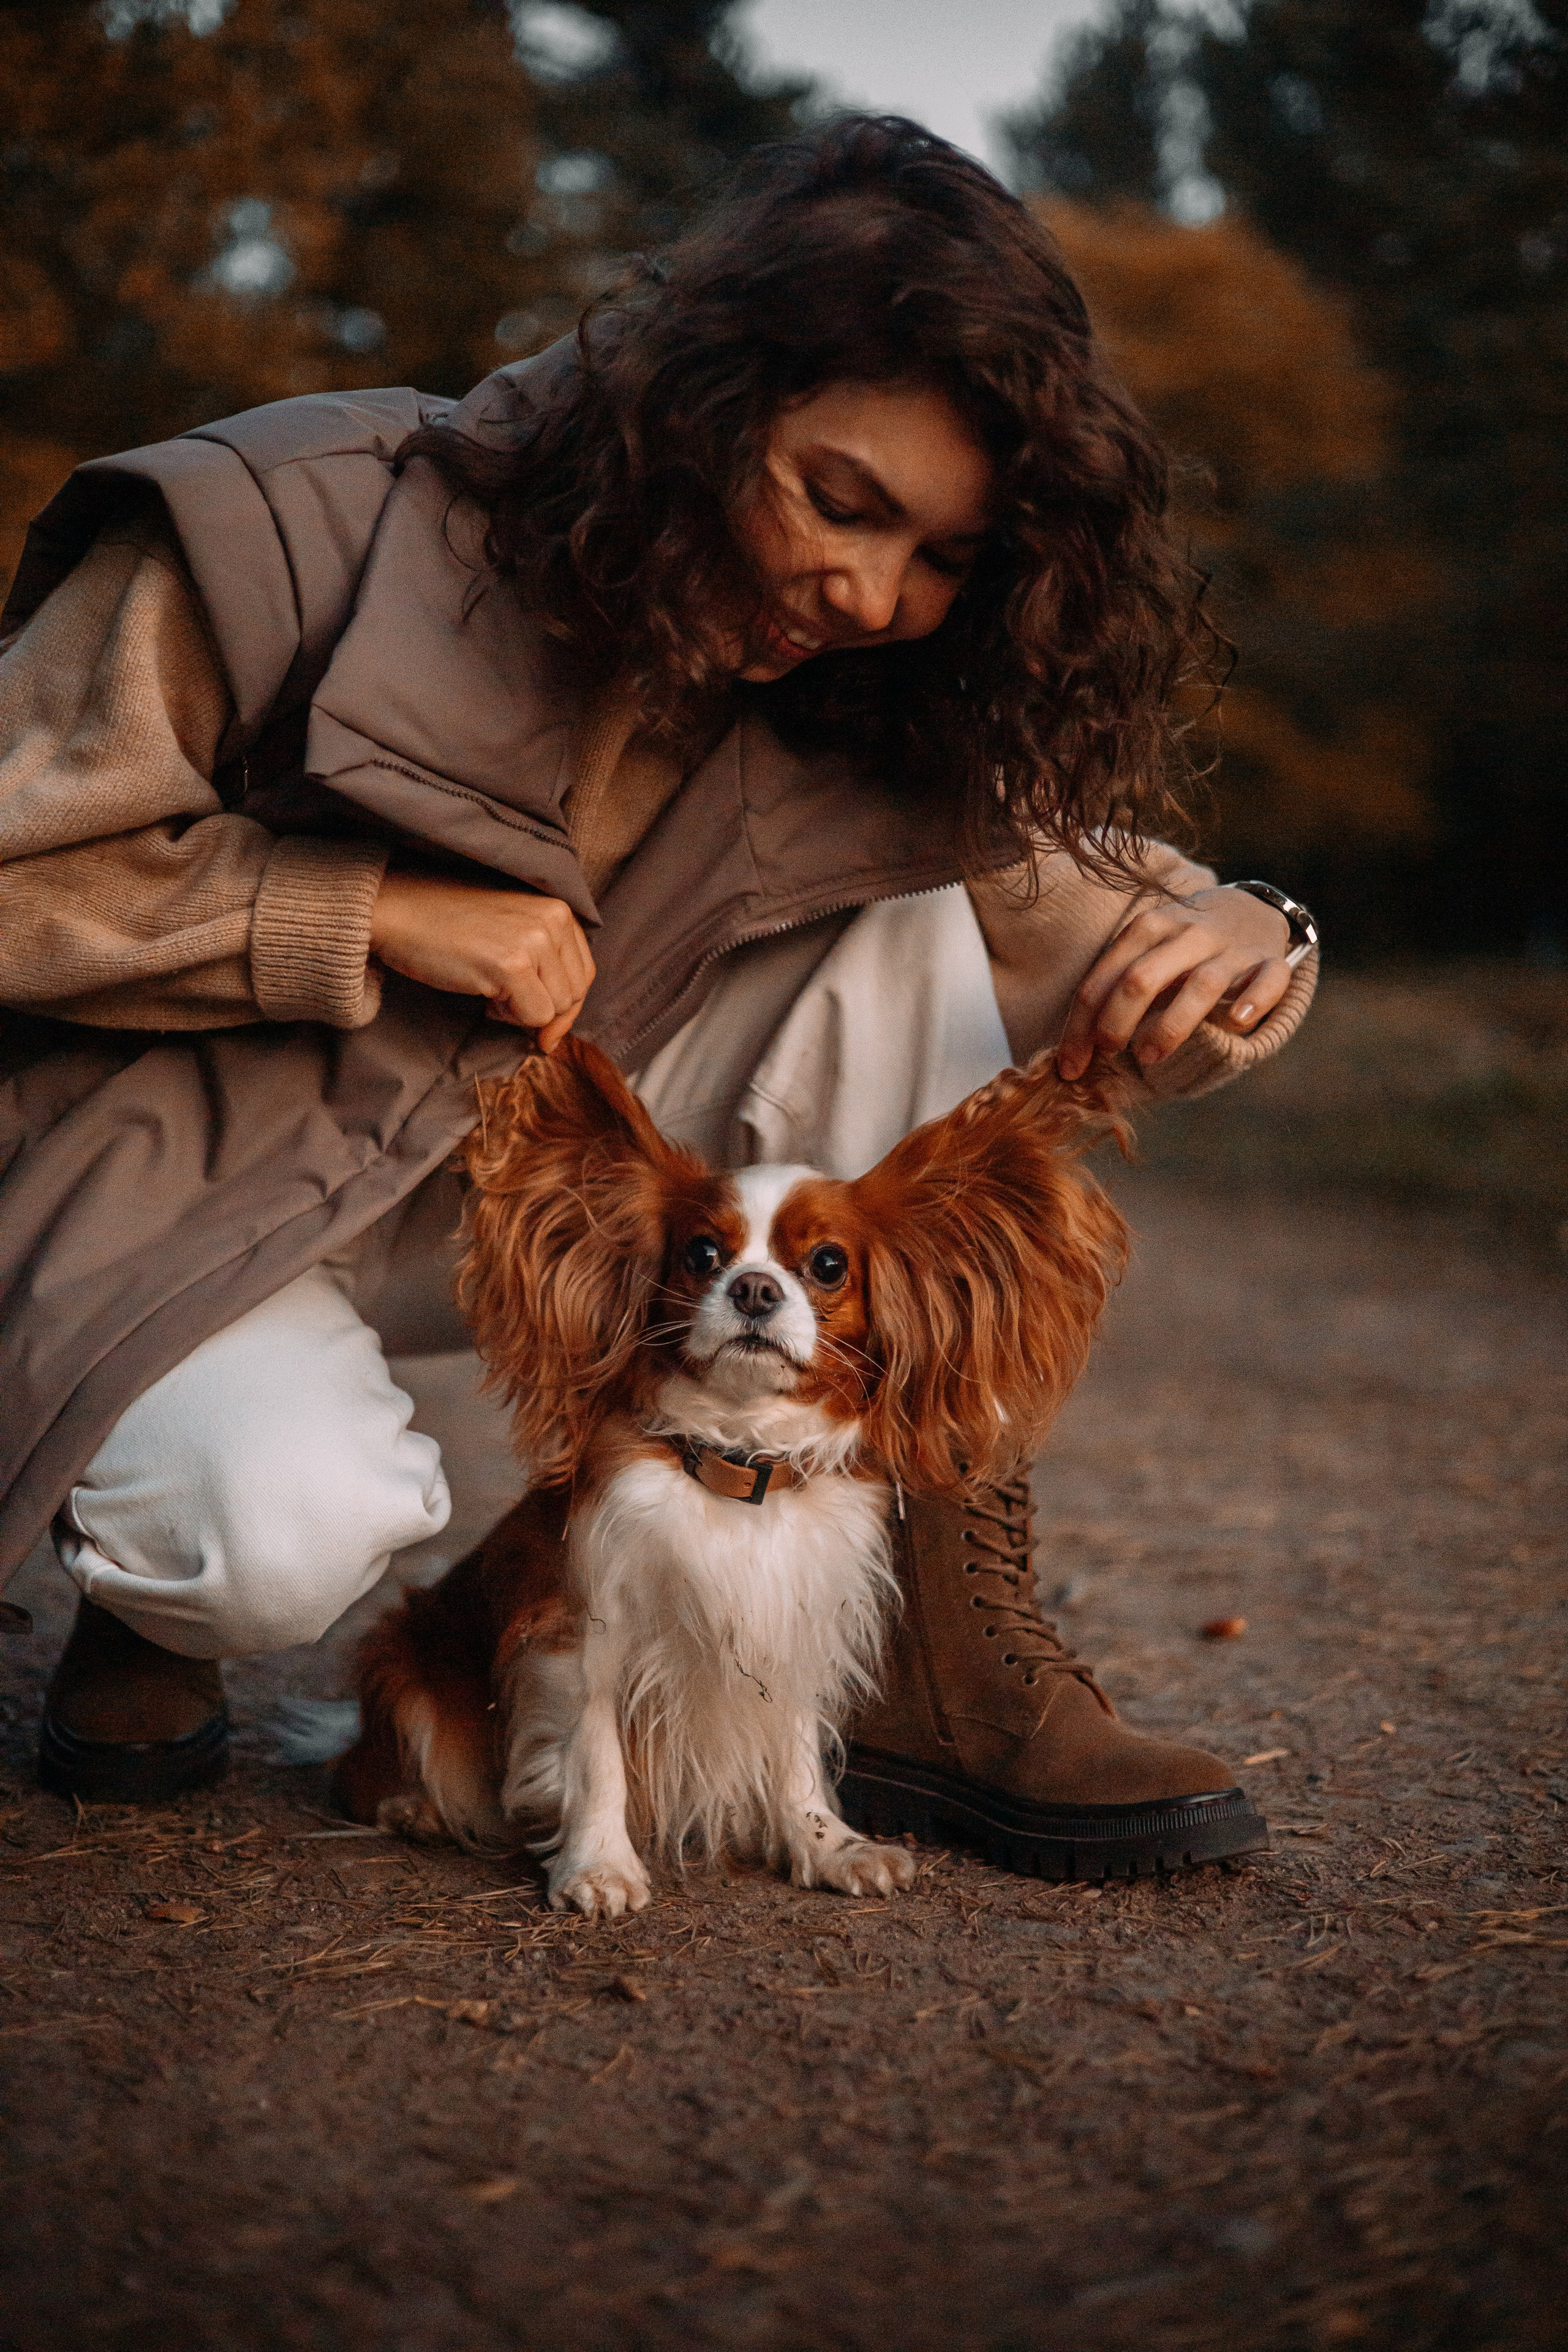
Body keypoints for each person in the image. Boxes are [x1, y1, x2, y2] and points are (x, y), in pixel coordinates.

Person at [0, 118, 1316, 1875]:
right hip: (176, 1177)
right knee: (266, 1535)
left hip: (496, 1190)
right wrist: (364, 912)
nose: (872, 594)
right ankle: (150, 1604)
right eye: (840, 501)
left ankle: (915, 1636)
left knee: (924, 917)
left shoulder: (851, 677)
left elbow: (1081, 912)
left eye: (942, 558)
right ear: (699, 400)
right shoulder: (282, 526)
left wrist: (1251, 927)